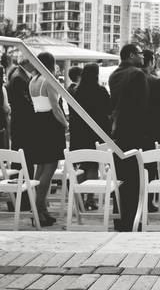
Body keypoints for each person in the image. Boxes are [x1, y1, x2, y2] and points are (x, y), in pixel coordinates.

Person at [109, 43, 150, 231]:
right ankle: (133, 220)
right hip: (134, 132)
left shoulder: (114, 74)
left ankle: (119, 218)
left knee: (121, 178)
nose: (143, 58)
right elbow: (143, 107)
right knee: (134, 179)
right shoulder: (137, 74)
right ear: (132, 55)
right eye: (141, 54)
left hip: (118, 131)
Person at [28, 51, 67, 226]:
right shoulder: (49, 80)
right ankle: (37, 210)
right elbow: (56, 107)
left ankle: (41, 210)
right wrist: (66, 124)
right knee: (49, 168)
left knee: (40, 168)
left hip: (37, 123)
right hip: (50, 124)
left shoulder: (33, 80)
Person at [69, 63, 112, 211]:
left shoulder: (75, 91)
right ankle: (90, 199)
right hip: (96, 132)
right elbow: (109, 108)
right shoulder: (100, 90)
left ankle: (80, 199)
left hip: (79, 133)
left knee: (81, 165)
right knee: (93, 165)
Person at [6, 63, 34, 160]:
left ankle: (21, 175)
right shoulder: (19, 78)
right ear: (28, 62)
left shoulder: (19, 75)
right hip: (23, 125)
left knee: (21, 157)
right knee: (24, 158)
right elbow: (25, 104)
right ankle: (22, 175)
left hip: (20, 124)